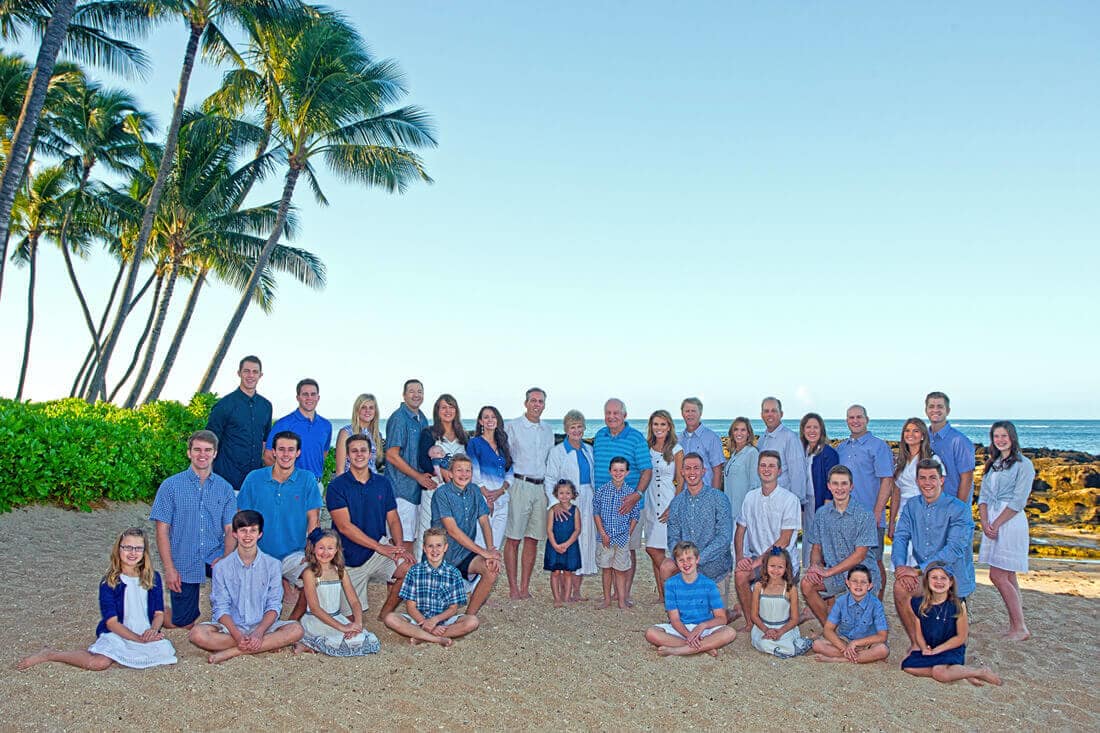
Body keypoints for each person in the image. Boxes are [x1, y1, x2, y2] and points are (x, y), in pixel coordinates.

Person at [16, 528, 177, 672]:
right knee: (98, 663)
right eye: (127, 547)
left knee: (165, 652)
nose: (132, 552)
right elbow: (112, 623)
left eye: (138, 548)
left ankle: (135, 648)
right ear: (118, 549)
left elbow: (158, 613)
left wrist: (152, 631)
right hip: (118, 632)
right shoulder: (109, 582)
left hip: (144, 631)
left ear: (144, 552)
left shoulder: (153, 577)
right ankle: (51, 654)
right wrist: (137, 640)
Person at [187, 510, 305, 664]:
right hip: (230, 628)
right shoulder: (221, 567)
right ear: (235, 534)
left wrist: (259, 632)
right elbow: (220, 607)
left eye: (253, 530)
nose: (248, 535)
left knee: (296, 630)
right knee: (197, 634)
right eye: (243, 530)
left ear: (260, 534)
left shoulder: (273, 565)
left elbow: (274, 605)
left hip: (263, 626)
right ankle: (264, 644)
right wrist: (237, 636)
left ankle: (232, 652)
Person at [149, 429, 237, 628]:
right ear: (189, 452)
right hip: (184, 558)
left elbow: (230, 528)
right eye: (197, 450)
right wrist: (170, 569)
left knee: (240, 591)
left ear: (215, 453)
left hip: (215, 555)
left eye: (208, 450)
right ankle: (152, 608)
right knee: (183, 622)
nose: (202, 454)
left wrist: (226, 559)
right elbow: (162, 531)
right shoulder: (170, 486)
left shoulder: (225, 488)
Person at [327, 434, 414, 621]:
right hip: (349, 559)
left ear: (371, 454)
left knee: (410, 569)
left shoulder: (382, 483)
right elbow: (344, 527)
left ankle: (385, 614)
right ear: (347, 455)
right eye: (354, 451)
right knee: (351, 620)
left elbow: (393, 519)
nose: (359, 454)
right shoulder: (336, 486)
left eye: (363, 450)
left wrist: (399, 547)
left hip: (378, 552)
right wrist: (379, 547)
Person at [892, 459, 976, 651]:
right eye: (922, 478)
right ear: (917, 481)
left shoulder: (959, 509)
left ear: (941, 480)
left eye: (932, 478)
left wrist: (916, 570)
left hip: (953, 580)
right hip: (925, 576)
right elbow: (900, 537)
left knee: (949, 646)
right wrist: (900, 567)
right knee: (900, 587)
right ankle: (916, 644)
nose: (927, 483)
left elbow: (954, 549)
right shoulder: (912, 506)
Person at [236, 430, 322, 617]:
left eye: (291, 450)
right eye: (281, 449)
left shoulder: (307, 479)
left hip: (294, 553)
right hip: (259, 554)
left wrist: (311, 551)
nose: (286, 454)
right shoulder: (254, 478)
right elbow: (242, 518)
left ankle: (293, 622)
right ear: (273, 452)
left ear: (298, 453)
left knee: (316, 576)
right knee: (252, 611)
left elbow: (313, 519)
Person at [801, 465, 881, 626]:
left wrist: (827, 572)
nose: (839, 488)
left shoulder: (864, 515)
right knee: (807, 584)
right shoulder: (821, 514)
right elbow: (816, 547)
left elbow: (860, 555)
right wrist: (815, 567)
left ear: (851, 486)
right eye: (835, 483)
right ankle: (828, 628)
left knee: (857, 631)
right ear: (829, 486)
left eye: (844, 483)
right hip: (836, 576)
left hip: (862, 575)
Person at [978, 420, 1036, 641]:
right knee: (1008, 575)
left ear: (1012, 437)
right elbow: (983, 496)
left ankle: (1019, 627)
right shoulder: (992, 464)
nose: (1000, 440)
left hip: (1010, 522)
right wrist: (985, 522)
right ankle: (1017, 624)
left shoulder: (1023, 464)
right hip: (992, 520)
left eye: (1004, 436)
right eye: (996, 436)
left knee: (998, 575)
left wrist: (997, 523)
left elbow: (1018, 500)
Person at [900, 563, 1002, 686]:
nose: (939, 582)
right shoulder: (919, 604)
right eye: (934, 577)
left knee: (939, 672)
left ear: (951, 582)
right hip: (932, 647)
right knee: (908, 666)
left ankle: (980, 672)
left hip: (951, 648)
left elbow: (961, 637)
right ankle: (962, 673)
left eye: (943, 578)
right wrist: (924, 648)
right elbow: (919, 633)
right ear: (927, 581)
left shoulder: (957, 604)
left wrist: (938, 650)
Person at [592, 398, 652, 605]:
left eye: (616, 413)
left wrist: (637, 495)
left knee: (628, 549)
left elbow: (647, 470)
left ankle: (623, 594)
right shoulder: (600, 436)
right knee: (606, 550)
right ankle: (609, 595)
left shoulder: (636, 438)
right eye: (608, 413)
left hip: (629, 505)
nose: (612, 417)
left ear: (624, 415)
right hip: (604, 506)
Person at [732, 450, 801, 631]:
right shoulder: (750, 497)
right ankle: (751, 622)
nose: (766, 469)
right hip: (757, 559)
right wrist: (740, 559)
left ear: (779, 471)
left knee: (779, 617)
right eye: (763, 465)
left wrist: (757, 562)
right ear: (757, 469)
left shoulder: (790, 500)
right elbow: (740, 530)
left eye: (771, 466)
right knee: (740, 574)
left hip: (783, 562)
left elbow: (784, 539)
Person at [383, 527, 480, 646]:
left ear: (445, 548)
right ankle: (437, 639)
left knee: (472, 621)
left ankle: (422, 636)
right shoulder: (414, 572)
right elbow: (411, 607)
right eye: (430, 546)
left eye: (439, 545)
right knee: (390, 619)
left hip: (444, 621)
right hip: (418, 620)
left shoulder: (454, 574)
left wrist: (434, 621)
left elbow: (453, 608)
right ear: (424, 548)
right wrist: (425, 623)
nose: (434, 550)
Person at [835, 404, 894, 598]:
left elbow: (887, 481)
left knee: (875, 562)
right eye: (851, 417)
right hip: (846, 517)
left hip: (870, 516)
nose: (855, 421)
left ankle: (877, 603)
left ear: (867, 420)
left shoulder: (879, 447)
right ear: (846, 421)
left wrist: (877, 512)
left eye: (859, 417)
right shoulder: (841, 448)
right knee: (850, 562)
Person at [431, 454, 502, 615]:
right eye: (459, 470)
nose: (464, 474)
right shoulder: (441, 494)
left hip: (464, 553)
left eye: (468, 470)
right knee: (436, 614)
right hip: (441, 555)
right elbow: (453, 531)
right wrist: (483, 552)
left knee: (491, 569)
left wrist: (490, 550)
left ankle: (469, 616)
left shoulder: (475, 491)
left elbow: (484, 521)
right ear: (450, 474)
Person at [503, 387, 555, 600]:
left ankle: (525, 587)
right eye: (533, 400)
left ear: (544, 405)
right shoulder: (512, 426)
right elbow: (504, 458)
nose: (536, 404)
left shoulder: (548, 430)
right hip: (519, 485)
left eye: (540, 401)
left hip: (541, 487)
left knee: (533, 538)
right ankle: (513, 587)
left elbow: (550, 461)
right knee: (514, 538)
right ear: (526, 403)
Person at [644, 541, 737, 657]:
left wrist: (702, 626)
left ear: (697, 559)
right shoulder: (670, 584)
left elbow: (721, 618)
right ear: (676, 563)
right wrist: (690, 636)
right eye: (681, 560)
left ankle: (678, 650)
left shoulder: (709, 584)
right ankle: (703, 647)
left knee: (729, 632)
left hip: (704, 629)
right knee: (651, 633)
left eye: (689, 559)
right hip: (681, 628)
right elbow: (675, 619)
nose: (686, 563)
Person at [296, 528, 380, 656]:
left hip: (337, 617)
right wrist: (342, 627)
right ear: (313, 548)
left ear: (336, 550)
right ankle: (305, 642)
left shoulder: (340, 571)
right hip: (317, 620)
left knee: (364, 640)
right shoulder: (309, 573)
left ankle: (308, 645)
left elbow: (354, 601)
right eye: (321, 548)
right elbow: (315, 608)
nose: (325, 552)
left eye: (330, 548)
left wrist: (357, 624)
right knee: (340, 643)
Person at [659, 453, 733, 594]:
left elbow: (724, 537)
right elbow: (673, 537)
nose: (692, 472)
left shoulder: (719, 498)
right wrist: (684, 559)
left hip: (714, 569)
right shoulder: (677, 503)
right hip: (686, 566)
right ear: (682, 472)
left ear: (703, 471)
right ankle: (674, 603)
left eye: (696, 468)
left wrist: (698, 559)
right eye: (688, 468)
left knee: (714, 610)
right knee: (666, 567)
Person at [543, 409, 597, 601]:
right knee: (567, 542)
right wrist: (555, 504)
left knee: (584, 542)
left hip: (588, 499)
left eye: (580, 427)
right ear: (566, 429)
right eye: (572, 427)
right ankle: (562, 593)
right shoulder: (557, 451)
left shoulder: (589, 450)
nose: (576, 430)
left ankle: (576, 591)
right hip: (566, 503)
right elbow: (550, 479)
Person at [206, 355, 272, 492]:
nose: (250, 375)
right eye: (246, 371)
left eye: (255, 372)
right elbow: (209, 442)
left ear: (260, 375)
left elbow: (264, 442)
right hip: (226, 480)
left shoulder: (266, 406)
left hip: (254, 482)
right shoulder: (224, 405)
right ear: (239, 373)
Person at [385, 379, 435, 555]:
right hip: (401, 490)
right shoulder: (399, 418)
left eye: (420, 391)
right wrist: (418, 477)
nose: (416, 395)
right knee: (402, 543)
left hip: (416, 491)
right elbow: (391, 455)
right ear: (404, 395)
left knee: (412, 541)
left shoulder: (422, 419)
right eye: (412, 391)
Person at [416, 394, 469, 557]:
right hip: (433, 489)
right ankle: (421, 568)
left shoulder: (463, 436)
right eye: (443, 407)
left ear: (456, 410)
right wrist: (441, 472)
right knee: (427, 532)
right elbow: (423, 460)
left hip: (456, 494)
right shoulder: (429, 433)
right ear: (437, 411)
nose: (447, 411)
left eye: (451, 407)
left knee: (452, 534)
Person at [811, 565, 889, 664]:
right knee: (817, 645)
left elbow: (882, 636)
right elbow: (828, 630)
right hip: (845, 641)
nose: (858, 585)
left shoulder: (876, 604)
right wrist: (845, 648)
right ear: (847, 583)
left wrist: (856, 643)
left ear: (870, 586)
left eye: (863, 582)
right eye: (854, 581)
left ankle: (838, 659)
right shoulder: (840, 602)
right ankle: (862, 657)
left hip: (868, 643)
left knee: (883, 650)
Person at [890, 418, 944, 556]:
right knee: (901, 558)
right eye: (907, 431)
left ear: (923, 435)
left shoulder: (932, 459)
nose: (910, 434)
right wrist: (892, 523)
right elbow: (896, 494)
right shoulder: (900, 462)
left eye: (916, 431)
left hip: (924, 515)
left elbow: (939, 493)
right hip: (903, 515)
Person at [593, 456, 641, 610]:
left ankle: (621, 600)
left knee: (620, 570)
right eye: (615, 470)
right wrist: (602, 533)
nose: (618, 473)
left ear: (627, 472)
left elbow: (635, 516)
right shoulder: (602, 491)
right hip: (605, 538)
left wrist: (628, 534)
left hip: (622, 539)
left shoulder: (631, 493)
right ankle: (607, 600)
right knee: (606, 570)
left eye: (621, 470)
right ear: (609, 471)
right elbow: (596, 513)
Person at [264, 378, 332, 487]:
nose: (309, 398)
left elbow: (323, 454)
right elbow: (268, 456)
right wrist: (284, 479)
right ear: (298, 397)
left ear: (318, 397)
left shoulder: (326, 426)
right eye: (305, 394)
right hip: (290, 485)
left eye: (313, 394)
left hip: (316, 484)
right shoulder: (283, 424)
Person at [645, 409, 683, 601]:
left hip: (669, 502)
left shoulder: (677, 449)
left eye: (662, 424)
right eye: (655, 424)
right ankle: (663, 595)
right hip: (650, 503)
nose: (658, 428)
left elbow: (681, 482)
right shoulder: (647, 448)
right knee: (656, 550)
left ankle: (678, 579)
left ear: (669, 427)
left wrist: (673, 507)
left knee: (652, 548)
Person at [749, 547, 812, 658]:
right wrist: (766, 630)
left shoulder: (790, 589)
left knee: (779, 644)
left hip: (785, 629)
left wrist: (780, 632)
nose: (776, 570)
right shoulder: (758, 587)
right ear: (765, 566)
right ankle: (791, 648)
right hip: (763, 628)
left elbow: (794, 619)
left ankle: (801, 643)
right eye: (772, 566)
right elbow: (754, 615)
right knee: (764, 643)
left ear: (786, 568)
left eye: (780, 567)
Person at [467, 405, 514, 552]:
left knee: (495, 548)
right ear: (480, 421)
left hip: (502, 501)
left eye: (493, 417)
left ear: (498, 420)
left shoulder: (503, 444)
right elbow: (474, 472)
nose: (490, 420)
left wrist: (501, 491)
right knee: (481, 546)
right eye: (486, 417)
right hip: (482, 501)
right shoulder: (474, 443)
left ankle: (491, 569)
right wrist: (488, 498)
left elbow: (510, 472)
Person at [799, 412, 839, 569]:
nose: (812, 431)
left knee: (821, 541)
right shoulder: (802, 451)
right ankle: (809, 570)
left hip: (821, 502)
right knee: (808, 538)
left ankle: (820, 573)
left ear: (821, 430)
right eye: (808, 427)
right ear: (803, 430)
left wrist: (827, 509)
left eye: (815, 427)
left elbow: (832, 482)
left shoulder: (829, 453)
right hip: (805, 502)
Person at [925, 391, 976, 505]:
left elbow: (967, 479)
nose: (935, 410)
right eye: (931, 406)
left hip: (952, 506)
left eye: (940, 406)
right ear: (926, 410)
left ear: (947, 410)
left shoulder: (959, 441)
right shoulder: (924, 438)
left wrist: (957, 509)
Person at [756, 397, 808, 502]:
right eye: (766, 411)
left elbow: (798, 474)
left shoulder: (790, 438)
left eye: (774, 411)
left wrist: (798, 502)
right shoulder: (762, 439)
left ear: (781, 414)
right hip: (764, 501)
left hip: (784, 502)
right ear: (762, 415)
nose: (770, 414)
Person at [544, 479, 582, 607]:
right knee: (555, 572)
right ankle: (557, 598)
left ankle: (566, 597)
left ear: (573, 494)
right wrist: (555, 545)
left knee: (568, 572)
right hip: (554, 545)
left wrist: (567, 544)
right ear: (556, 494)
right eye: (561, 493)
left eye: (567, 493)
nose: (564, 496)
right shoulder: (552, 511)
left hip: (570, 545)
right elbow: (549, 530)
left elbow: (577, 529)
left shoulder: (575, 510)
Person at [722, 417, 760, 544]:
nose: (739, 433)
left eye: (743, 430)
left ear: (748, 433)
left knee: (742, 550)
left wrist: (747, 514)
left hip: (743, 515)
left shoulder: (752, 453)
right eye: (736, 429)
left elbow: (755, 485)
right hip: (731, 512)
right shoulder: (734, 454)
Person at [333, 393, 384, 476]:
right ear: (357, 410)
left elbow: (373, 465)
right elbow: (340, 471)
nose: (367, 411)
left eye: (371, 408)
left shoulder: (377, 435)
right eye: (363, 407)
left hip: (373, 482)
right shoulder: (346, 433)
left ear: (375, 411)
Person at [678, 397, 724, 487]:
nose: (690, 414)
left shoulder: (712, 438)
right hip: (684, 493)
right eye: (687, 411)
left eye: (693, 411)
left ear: (700, 413)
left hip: (706, 492)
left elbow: (717, 472)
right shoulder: (679, 440)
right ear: (682, 414)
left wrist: (714, 494)